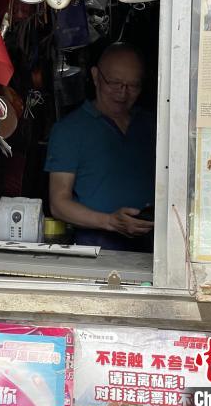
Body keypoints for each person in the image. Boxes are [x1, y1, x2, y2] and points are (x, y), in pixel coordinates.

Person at [45, 43, 156, 252]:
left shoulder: (155, 126)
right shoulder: (69, 130)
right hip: (95, 251)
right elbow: (59, 204)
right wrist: (110, 221)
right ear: (95, 76)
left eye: (132, 85)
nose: (122, 94)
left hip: (155, 250)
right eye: (114, 83)